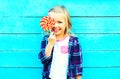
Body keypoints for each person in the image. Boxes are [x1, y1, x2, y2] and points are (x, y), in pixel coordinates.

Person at [38, 5, 82, 79]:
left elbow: (77, 66)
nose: (55, 25)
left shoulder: (73, 41)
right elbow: (43, 60)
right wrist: (50, 44)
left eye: (59, 22)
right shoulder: (46, 39)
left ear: (66, 24)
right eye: (53, 22)